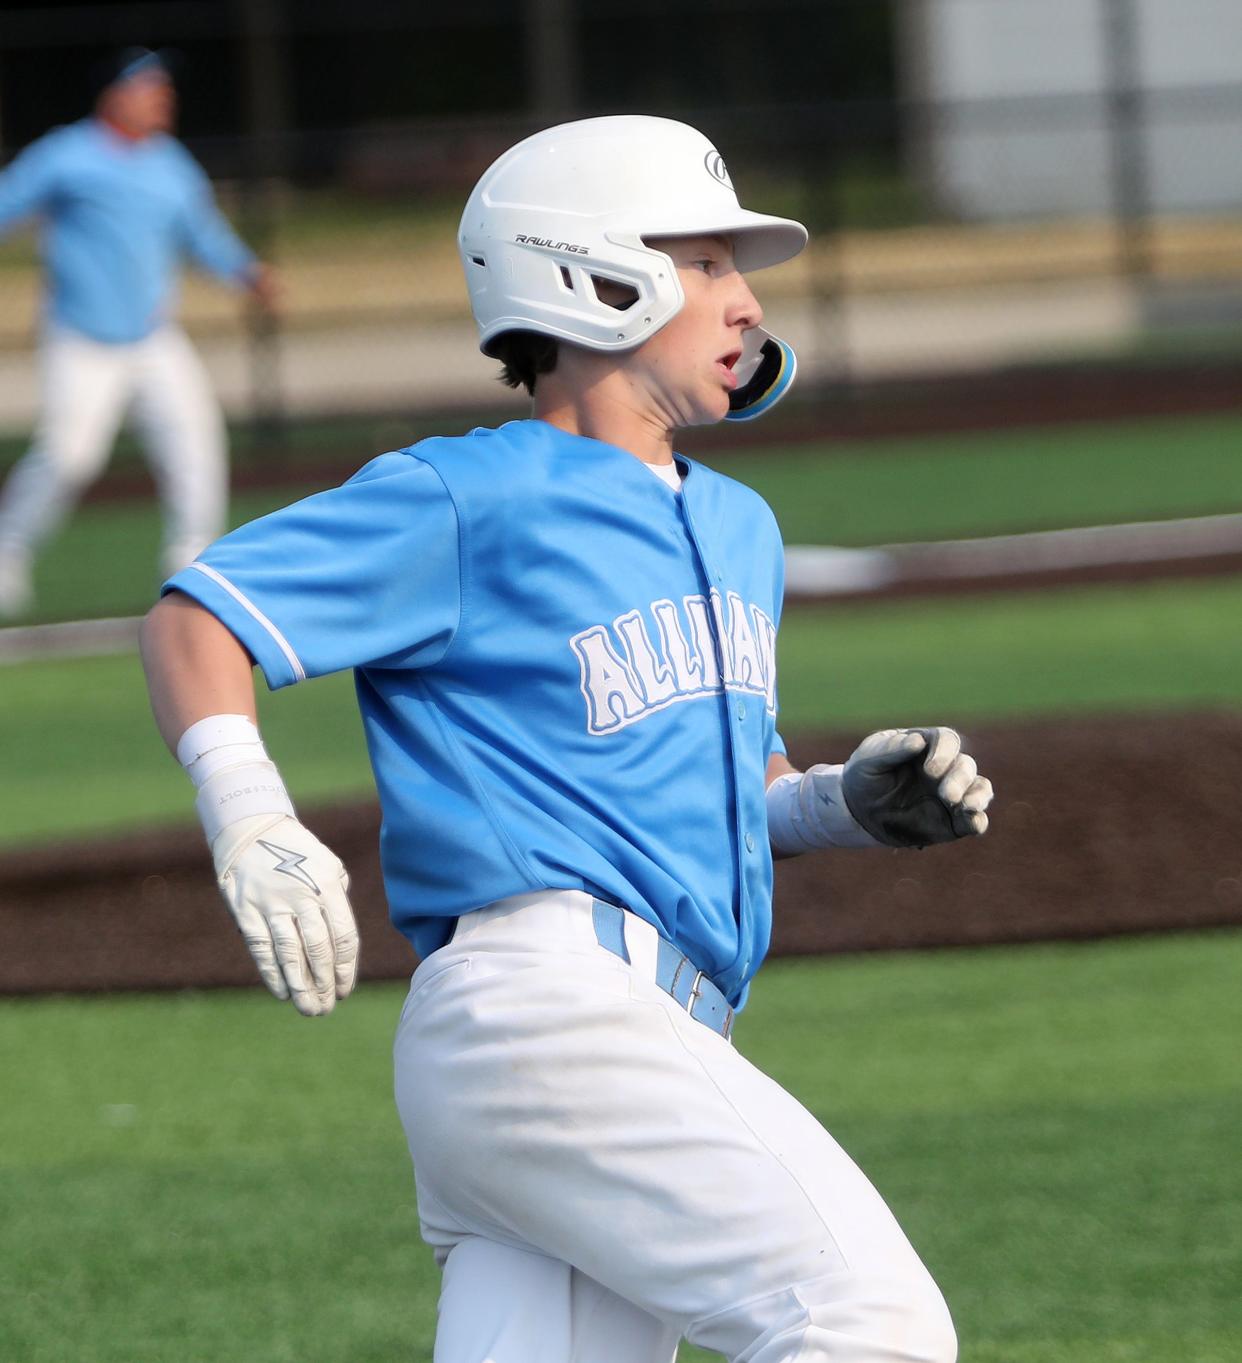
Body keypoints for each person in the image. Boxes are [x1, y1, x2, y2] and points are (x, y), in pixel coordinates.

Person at [140, 116, 994, 1363]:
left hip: (620, 1034)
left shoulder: (742, 524)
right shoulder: (465, 494)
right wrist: (250, 813)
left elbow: (709, 781)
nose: (746, 300)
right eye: (705, 264)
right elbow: (197, 616)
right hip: (551, 1009)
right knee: (869, 1322)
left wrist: (832, 804)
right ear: (587, 273)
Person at [0, 46, 276, 619]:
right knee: (69, 455)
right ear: (115, 96)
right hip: (81, 338)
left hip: (153, 338)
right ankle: (7, 552)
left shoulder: (169, 164)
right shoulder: (67, 154)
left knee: (195, 441)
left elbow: (201, 232)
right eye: (149, 87)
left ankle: (192, 566)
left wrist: (245, 271)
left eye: (164, 89)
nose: (162, 98)